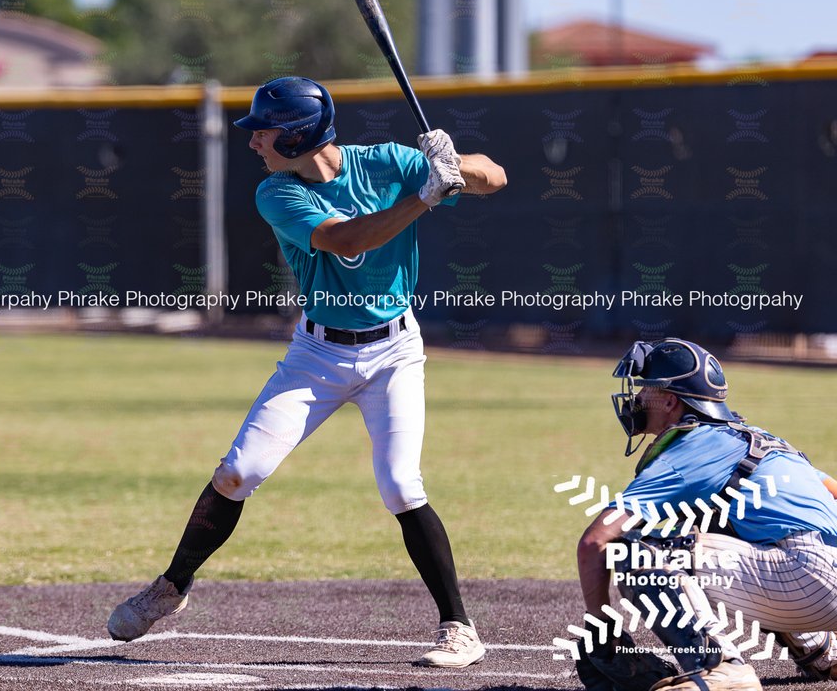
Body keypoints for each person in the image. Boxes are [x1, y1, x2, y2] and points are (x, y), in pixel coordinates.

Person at [105, 76, 507, 667]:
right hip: (317, 355)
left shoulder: (389, 162)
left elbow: (495, 177)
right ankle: (172, 586)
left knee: (401, 486)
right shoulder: (277, 192)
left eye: (261, 132)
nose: (252, 143)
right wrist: (423, 194)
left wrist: (453, 165)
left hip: (394, 352)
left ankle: (459, 628)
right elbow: (346, 237)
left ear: (295, 135)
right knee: (239, 472)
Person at [576, 338, 837, 691]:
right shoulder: (760, 438)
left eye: (644, 389)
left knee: (637, 554)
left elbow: (595, 541)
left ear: (670, 400)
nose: (636, 399)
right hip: (819, 581)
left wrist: (600, 625)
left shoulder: (690, 446)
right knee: (733, 529)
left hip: (807, 581)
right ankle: (824, 652)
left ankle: (718, 667)